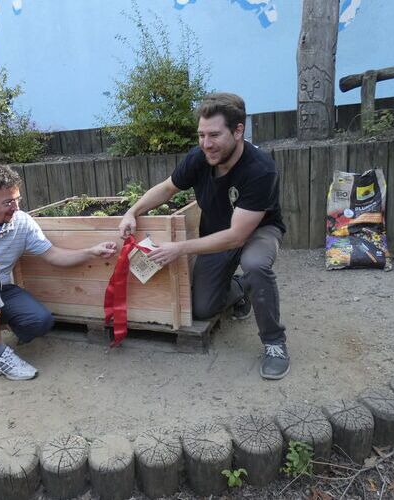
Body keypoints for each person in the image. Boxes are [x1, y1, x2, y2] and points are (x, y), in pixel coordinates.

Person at [118, 93, 289, 380]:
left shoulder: (261, 169)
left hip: (256, 232)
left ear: (238, 131)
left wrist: (180, 248)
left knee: (256, 264)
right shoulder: (200, 158)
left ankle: (274, 343)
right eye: (201, 135)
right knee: (202, 308)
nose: (206, 143)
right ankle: (240, 288)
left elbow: (237, 236)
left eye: (214, 135)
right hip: (215, 233)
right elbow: (167, 188)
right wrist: (131, 212)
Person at [0, 164, 117, 381]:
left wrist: (91, 252)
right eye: (8, 202)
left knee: (40, 321)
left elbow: (53, 254)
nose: (15, 207)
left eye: (18, 199)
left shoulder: (21, 223)